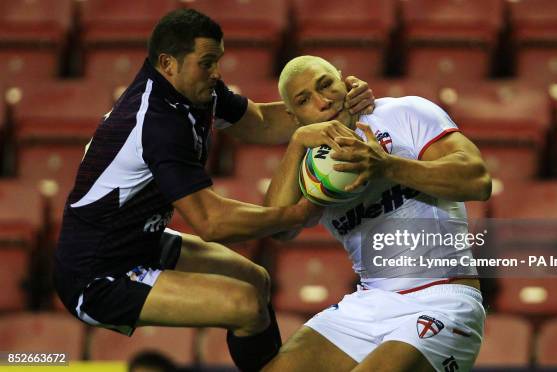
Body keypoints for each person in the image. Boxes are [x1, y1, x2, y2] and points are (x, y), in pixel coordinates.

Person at [53, 9, 374, 372]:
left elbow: (261, 122)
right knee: (245, 305)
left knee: (256, 279)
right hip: (96, 274)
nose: (217, 73)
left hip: (138, 240)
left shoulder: (191, 91)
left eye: (217, 61)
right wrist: (297, 214)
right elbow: (212, 223)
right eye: (207, 63)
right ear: (168, 63)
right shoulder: (158, 123)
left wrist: (339, 102)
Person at [262, 55, 492, 372]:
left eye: (326, 84)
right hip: (369, 302)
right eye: (304, 100)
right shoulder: (309, 166)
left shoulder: (402, 112)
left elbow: (478, 181)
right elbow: (279, 228)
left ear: (342, 79)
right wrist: (298, 142)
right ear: (294, 115)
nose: (322, 100)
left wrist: (387, 166)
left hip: (444, 297)